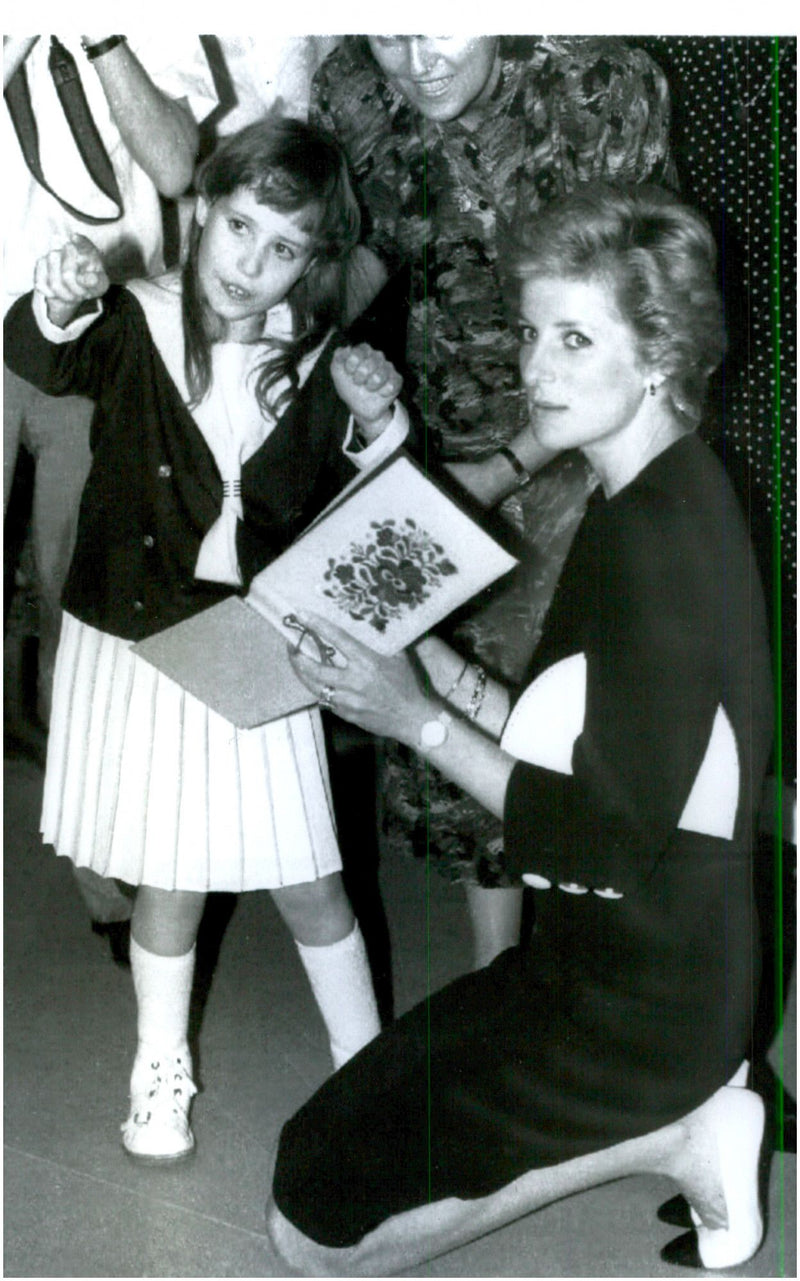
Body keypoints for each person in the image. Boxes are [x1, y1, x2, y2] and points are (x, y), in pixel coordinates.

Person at [266, 183, 774, 1275]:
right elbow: (565, 734)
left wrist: (413, 722)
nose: (533, 368)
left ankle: (681, 1127)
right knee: (312, 1160)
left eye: (573, 338)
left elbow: (600, 832)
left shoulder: (662, 543)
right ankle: (692, 1116)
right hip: (602, 961)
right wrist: (410, 663)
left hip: (650, 1001)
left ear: (658, 354)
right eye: (532, 332)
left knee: (310, 1238)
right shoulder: (645, 495)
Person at [3, 118, 408, 1164]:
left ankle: (367, 1070)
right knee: (171, 878)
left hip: (254, 647)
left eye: (283, 248)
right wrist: (53, 299)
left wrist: (373, 426)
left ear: (313, 263)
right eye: (237, 227)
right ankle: (158, 1066)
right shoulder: (133, 321)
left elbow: (356, 501)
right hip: (147, 643)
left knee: (309, 875)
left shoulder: (311, 359)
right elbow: (42, 352)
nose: (250, 264)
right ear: (201, 213)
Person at [310, 34, 676, 968]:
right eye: (387, 30)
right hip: (437, 439)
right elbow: (368, 255)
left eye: (442, 26)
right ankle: (500, 981)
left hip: (595, 443)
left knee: (583, 724)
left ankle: (625, 983)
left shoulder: (599, 84)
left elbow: (644, 311)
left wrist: (509, 468)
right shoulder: (351, 88)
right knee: (460, 726)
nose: (413, 59)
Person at [3, 34, 216, 947]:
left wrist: (98, 28)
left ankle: (104, 878)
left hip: (86, 332)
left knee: (79, 601)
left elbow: (174, 166)